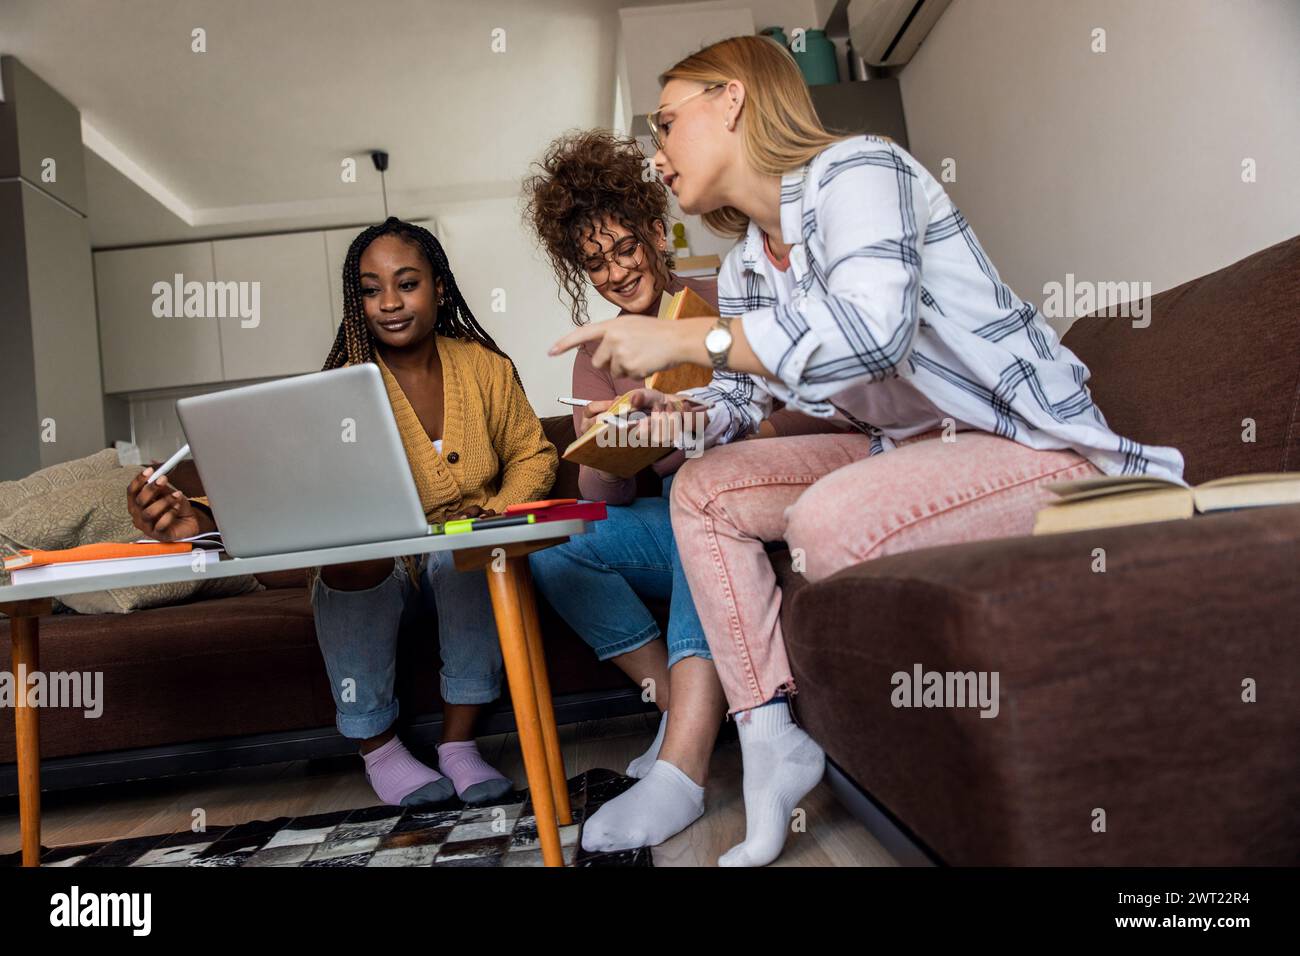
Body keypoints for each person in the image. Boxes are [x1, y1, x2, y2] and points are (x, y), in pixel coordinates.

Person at [549, 37, 1184, 866]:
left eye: (666, 124)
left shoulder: (861, 171)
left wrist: (685, 335)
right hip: (903, 448)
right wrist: (671, 416)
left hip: (1027, 442)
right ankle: (771, 741)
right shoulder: (745, 265)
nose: (658, 157)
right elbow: (739, 407)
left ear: (732, 100)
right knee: (701, 490)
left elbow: (872, 336)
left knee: (833, 517)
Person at [129, 217, 558, 808]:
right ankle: (379, 749)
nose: (388, 303)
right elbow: (288, 495)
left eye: (406, 284)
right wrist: (198, 519)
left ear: (438, 285)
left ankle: (458, 747)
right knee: (352, 560)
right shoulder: (337, 390)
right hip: (381, 567)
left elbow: (533, 453)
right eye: (369, 288)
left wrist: (493, 511)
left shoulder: (486, 368)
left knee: (472, 552)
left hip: (460, 558)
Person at [521, 130, 844, 852]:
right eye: (595, 263)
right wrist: (611, 441)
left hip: (736, 506)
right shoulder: (601, 352)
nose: (615, 273)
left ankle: (684, 763)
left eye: (624, 248)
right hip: (668, 519)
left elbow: (800, 411)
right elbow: (600, 496)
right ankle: (676, 700)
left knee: (693, 492)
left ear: (655, 234)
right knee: (552, 549)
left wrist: (711, 428)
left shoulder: (719, 300)